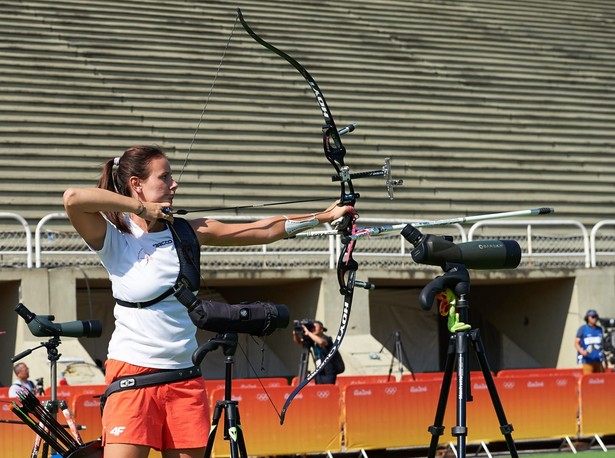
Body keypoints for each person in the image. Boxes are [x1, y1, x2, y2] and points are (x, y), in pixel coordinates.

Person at [63, 145, 353, 458]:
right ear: (137, 184)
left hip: (183, 377)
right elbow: (73, 199)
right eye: (165, 177)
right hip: (133, 376)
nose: (175, 184)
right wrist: (141, 209)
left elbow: (263, 231)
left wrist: (325, 216)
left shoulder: (189, 230)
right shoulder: (115, 237)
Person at [293, 320, 345, 384]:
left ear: (321, 329)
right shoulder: (312, 339)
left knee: (328, 390)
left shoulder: (327, 339)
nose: (313, 328)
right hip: (319, 372)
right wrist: (295, 334)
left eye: (315, 327)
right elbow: (299, 342)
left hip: (328, 372)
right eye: (312, 327)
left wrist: (309, 333)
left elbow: (321, 342)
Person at [575, 309, 607, 374]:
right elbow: (576, 342)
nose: (594, 319)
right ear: (588, 318)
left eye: (595, 317)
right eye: (592, 317)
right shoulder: (583, 329)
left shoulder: (599, 329)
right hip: (587, 360)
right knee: (589, 379)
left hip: (598, 359)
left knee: (600, 378)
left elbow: (602, 343)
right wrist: (581, 351)